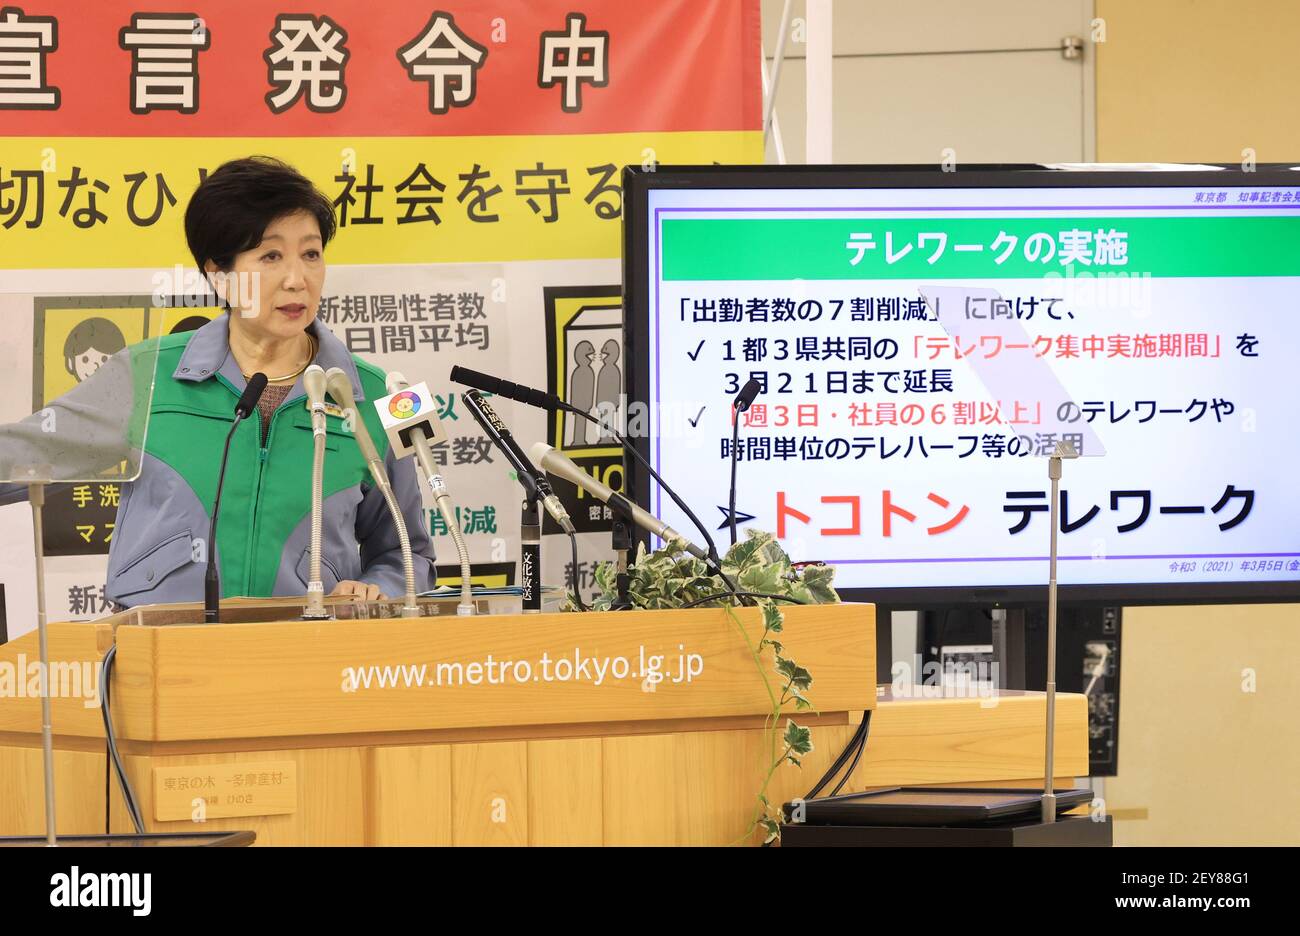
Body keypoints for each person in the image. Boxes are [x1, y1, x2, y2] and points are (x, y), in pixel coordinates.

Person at [0, 156, 435, 608]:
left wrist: (379, 590)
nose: (297, 279)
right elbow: (19, 455)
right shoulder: (145, 376)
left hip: (308, 657)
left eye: (311, 254)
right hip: (162, 655)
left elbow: (410, 556)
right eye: (270, 256)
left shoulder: (378, 394)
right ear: (219, 275)